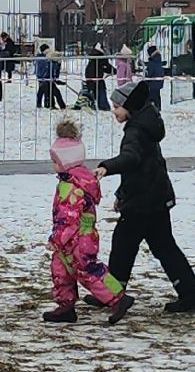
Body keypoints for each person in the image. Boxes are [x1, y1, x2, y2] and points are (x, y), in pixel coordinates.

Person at [97, 81, 195, 313]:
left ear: (129, 106)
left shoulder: (135, 132)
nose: (114, 111)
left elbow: (131, 160)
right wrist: (121, 194)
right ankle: (189, 293)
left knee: (123, 245)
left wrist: (106, 167)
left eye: (116, 107)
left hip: (142, 204)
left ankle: (112, 294)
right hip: (155, 199)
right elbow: (143, 170)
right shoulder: (147, 126)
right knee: (164, 247)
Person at [43, 118, 132, 324]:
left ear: (67, 162)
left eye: (55, 161)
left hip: (78, 240)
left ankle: (117, 297)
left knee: (87, 271)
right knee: (60, 270)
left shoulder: (72, 187)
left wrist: (56, 239)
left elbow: (68, 219)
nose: (53, 165)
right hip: (70, 240)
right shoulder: (73, 180)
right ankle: (66, 306)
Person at [34, 45, 66, 109]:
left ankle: (46, 104)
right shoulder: (48, 58)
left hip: (44, 78)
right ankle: (53, 105)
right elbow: (52, 69)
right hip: (47, 78)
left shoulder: (40, 58)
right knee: (52, 91)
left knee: (44, 91)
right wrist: (55, 77)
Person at [84, 44, 110, 111]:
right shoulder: (101, 57)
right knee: (101, 91)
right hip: (97, 77)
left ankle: (94, 104)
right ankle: (103, 106)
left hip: (90, 76)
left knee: (94, 92)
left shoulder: (92, 55)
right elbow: (107, 67)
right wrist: (114, 71)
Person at [142, 45, 167, 115]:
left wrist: (146, 77)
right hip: (159, 81)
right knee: (157, 96)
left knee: (149, 97)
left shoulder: (152, 62)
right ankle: (158, 107)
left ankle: (149, 109)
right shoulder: (158, 59)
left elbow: (149, 73)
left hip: (152, 82)